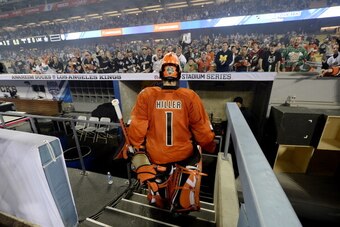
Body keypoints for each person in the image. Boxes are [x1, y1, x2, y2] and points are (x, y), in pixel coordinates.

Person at [127, 52, 216, 212]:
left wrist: (136, 148)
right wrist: (210, 145)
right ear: (179, 74)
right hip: (184, 156)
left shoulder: (146, 95)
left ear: (160, 74)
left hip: (156, 156)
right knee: (182, 198)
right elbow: (203, 131)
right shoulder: (190, 96)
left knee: (157, 195)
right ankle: (179, 208)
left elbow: (136, 129)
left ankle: (158, 204)